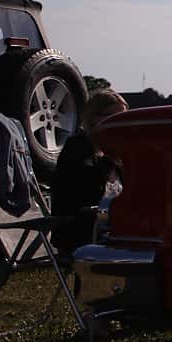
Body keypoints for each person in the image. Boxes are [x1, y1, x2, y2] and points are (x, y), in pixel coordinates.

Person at [51, 89, 128, 253]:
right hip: (80, 229)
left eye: (123, 117)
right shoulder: (78, 147)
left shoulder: (117, 153)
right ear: (93, 118)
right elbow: (85, 191)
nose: (119, 122)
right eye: (112, 116)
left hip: (109, 227)